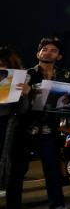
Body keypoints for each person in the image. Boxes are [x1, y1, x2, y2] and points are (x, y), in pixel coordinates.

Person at [8, 38, 70, 209]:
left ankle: (57, 204)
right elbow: (13, 104)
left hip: (49, 130)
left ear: (59, 56)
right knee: (17, 172)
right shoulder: (26, 75)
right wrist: (27, 94)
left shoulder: (65, 76)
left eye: (53, 50)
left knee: (52, 171)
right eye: (45, 49)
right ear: (38, 53)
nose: (48, 52)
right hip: (25, 129)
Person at [0, 47, 31, 199]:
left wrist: (24, 94)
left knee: (15, 172)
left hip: (11, 130)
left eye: (3, 64)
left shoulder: (18, 80)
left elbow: (23, 110)